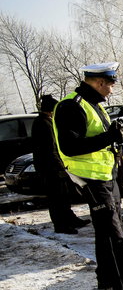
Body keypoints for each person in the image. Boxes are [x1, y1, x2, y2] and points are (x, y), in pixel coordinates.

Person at [53, 62, 123, 290]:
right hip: (91, 179)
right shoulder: (71, 107)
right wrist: (111, 136)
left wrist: (117, 134)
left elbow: (99, 139)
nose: (112, 90)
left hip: (106, 177)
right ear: (99, 82)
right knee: (115, 236)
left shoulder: (93, 105)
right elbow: (70, 147)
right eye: (111, 84)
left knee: (106, 232)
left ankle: (105, 277)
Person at [32, 94, 90, 235]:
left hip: (52, 167)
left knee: (63, 196)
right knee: (57, 199)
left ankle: (70, 219)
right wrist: (61, 166)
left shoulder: (44, 122)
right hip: (50, 168)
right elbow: (51, 149)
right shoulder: (44, 124)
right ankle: (61, 225)